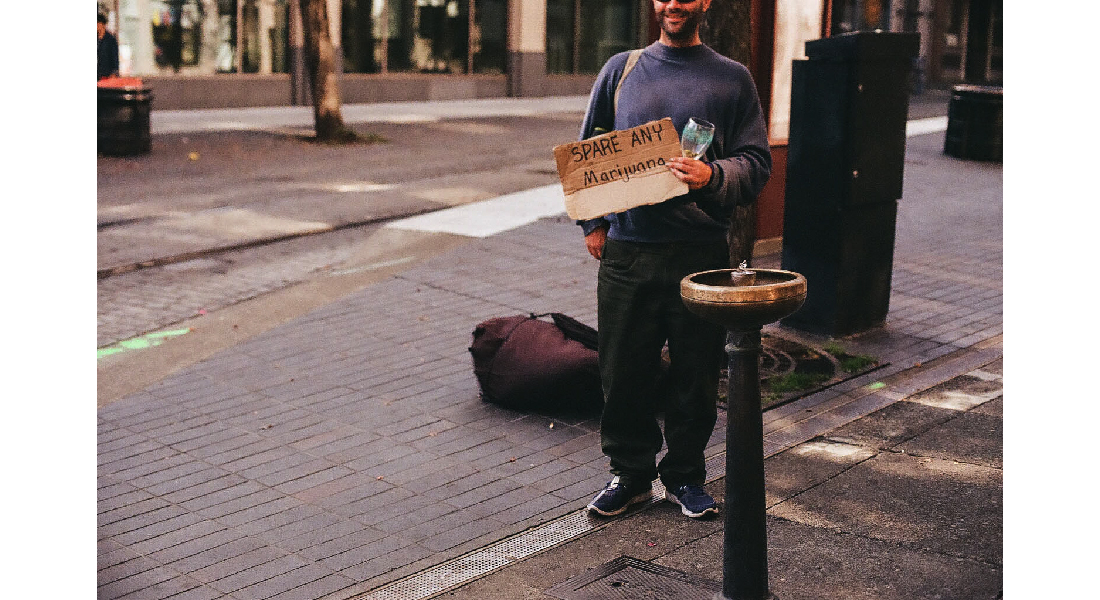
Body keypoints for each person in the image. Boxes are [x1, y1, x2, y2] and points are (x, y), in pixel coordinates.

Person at [580, 0, 772, 519]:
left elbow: (757, 162)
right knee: (622, 373)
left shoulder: (732, 80)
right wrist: (593, 225)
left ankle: (685, 476)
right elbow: (588, 149)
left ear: (704, 2)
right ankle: (630, 474)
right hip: (628, 252)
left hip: (700, 255)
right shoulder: (621, 70)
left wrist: (713, 177)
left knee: (697, 374)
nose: (674, 4)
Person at [98, 13, 119, 80]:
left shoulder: (110, 39)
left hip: (107, 74)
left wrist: (114, 72)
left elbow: (115, 57)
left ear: (102, 24)